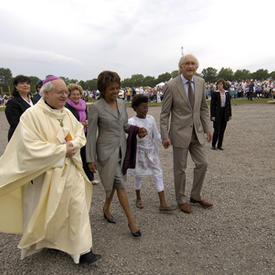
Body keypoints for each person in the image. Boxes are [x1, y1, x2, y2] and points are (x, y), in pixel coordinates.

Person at [0, 76, 101, 264]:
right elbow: (28, 147)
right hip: (46, 174)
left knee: (76, 208)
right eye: (60, 92)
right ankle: (51, 241)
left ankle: (83, 249)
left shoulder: (67, 113)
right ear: (46, 93)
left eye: (66, 92)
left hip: (71, 171)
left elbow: (79, 132)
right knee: (49, 209)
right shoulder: (31, 116)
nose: (65, 96)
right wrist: (61, 150)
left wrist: (74, 144)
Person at [86, 71, 147, 237]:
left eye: (117, 88)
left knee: (113, 182)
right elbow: (91, 134)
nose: (115, 91)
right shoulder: (95, 108)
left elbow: (125, 126)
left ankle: (106, 208)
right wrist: (90, 158)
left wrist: (137, 130)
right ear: (102, 89)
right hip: (105, 153)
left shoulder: (121, 103)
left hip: (122, 149)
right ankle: (131, 222)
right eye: (111, 89)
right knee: (119, 183)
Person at [160, 54, 213, 214]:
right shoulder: (171, 85)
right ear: (181, 67)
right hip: (179, 133)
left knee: (203, 164)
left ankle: (195, 196)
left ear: (196, 67)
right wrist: (165, 135)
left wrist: (207, 128)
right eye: (186, 63)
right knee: (180, 169)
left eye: (193, 64)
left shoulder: (200, 82)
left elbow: (203, 107)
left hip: (196, 132)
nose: (190, 66)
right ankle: (181, 200)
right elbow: (164, 114)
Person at [127, 94, 175, 211]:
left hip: (151, 153)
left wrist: (163, 140)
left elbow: (156, 133)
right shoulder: (131, 121)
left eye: (147, 107)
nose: (146, 110)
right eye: (143, 107)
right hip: (139, 154)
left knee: (158, 173)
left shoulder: (151, 119)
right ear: (135, 108)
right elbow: (129, 139)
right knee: (139, 175)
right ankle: (138, 198)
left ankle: (163, 203)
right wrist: (139, 136)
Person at [65, 83, 99, 185]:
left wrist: (88, 121)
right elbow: (68, 121)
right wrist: (80, 124)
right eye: (73, 94)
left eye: (78, 94)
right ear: (69, 95)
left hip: (85, 133)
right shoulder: (66, 106)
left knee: (86, 156)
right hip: (73, 136)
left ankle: (90, 178)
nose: (76, 96)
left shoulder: (83, 104)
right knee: (76, 156)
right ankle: (77, 178)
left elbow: (87, 116)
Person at [5, 75, 38, 141]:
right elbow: (15, 122)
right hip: (19, 136)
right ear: (16, 86)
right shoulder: (12, 102)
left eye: (27, 83)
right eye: (22, 83)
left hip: (35, 135)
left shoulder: (34, 100)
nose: (25, 85)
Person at [210, 79, 232, 150]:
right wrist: (212, 115)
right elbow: (212, 105)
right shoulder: (215, 93)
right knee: (216, 130)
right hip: (217, 113)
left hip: (224, 113)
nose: (219, 86)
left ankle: (219, 145)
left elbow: (229, 104)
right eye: (218, 84)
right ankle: (213, 145)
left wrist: (230, 114)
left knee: (222, 130)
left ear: (223, 85)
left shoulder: (227, 93)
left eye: (221, 84)